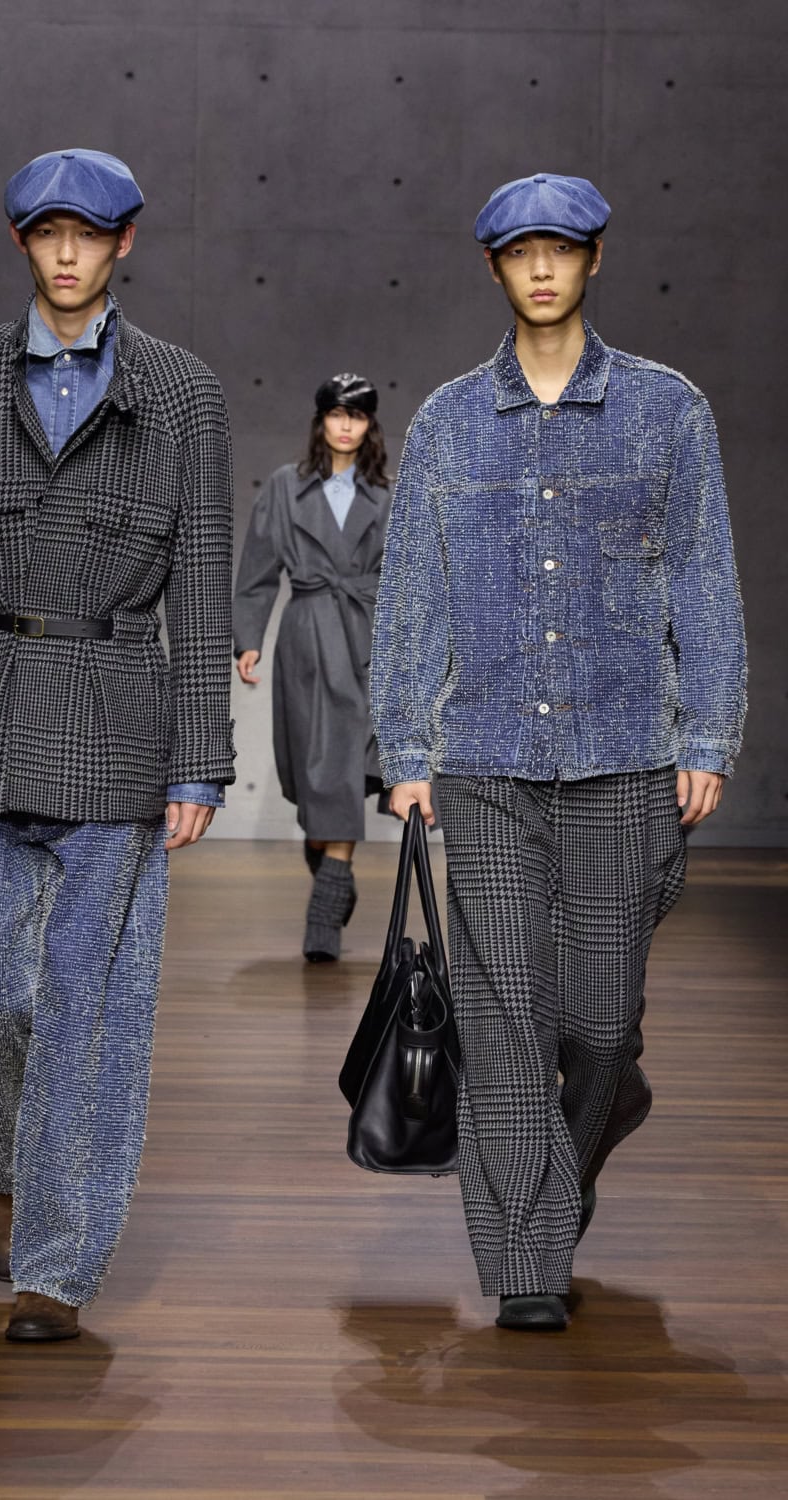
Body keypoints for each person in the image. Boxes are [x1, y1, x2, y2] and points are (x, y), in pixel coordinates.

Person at [0, 148, 235, 1341]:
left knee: (88, 1013)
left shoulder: (183, 393)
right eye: (46, 233)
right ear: (21, 242)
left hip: (118, 728)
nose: (67, 254)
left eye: (88, 234)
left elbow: (205, 591)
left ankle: (56, 1273)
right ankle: (13, 1169)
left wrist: (199, 757)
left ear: (124, 243)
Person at [370, 173, 746, 1331]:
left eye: (562, 249)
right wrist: (404, 747)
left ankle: (587, 1130)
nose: (541, 269)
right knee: (501, 1023)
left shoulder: (666, 410)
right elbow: (412, 593)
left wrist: (708, 732)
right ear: (494, 266)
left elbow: (703, 579)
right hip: (483, 758)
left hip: (624, 753)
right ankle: (526, 1264)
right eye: (521, 251)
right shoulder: (445, 422)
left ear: (593, 261)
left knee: (599, 1027)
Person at [233, 375, 391, 961]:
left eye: (357, 415)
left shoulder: (387, 495)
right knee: (313, 775)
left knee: (346, 769)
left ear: (370, 425)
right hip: (305, 639)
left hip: (366, 638)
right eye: (336, 414)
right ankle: (329, 862)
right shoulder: (284, 485)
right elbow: (257, 570)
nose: (346, 425)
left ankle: (325, 911)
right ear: (321, 420)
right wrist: (248, 639)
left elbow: (408, 579)